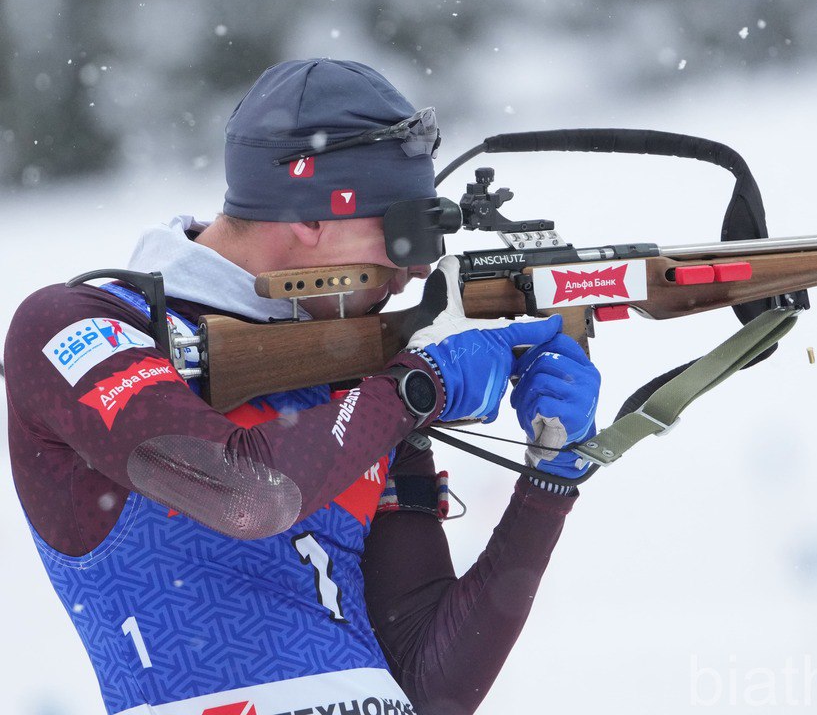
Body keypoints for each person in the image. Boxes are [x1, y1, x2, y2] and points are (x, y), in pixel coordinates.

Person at [3, 58, 601, 715]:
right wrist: (416, 389)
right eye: (401, 231)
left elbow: (430, 684)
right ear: (311, 216)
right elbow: (245, 496)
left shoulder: (364, 375)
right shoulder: (77, 326)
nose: (418, 267)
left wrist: (547, 486)